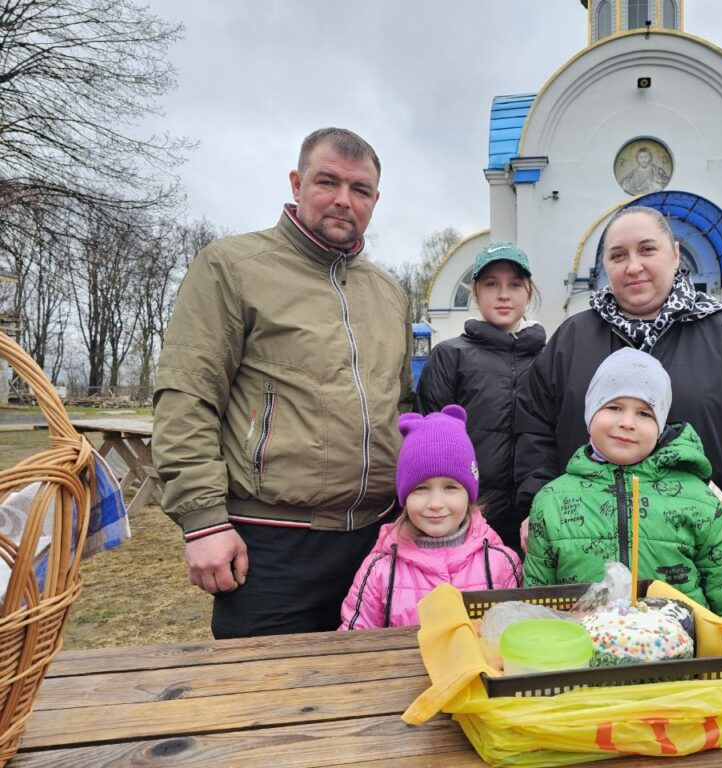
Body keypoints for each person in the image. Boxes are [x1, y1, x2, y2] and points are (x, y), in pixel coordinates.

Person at [153, 128, 413, 638]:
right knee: (263, 703)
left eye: (360, 190)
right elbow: (188, 395)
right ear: (297, 183)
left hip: (376, 542)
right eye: (327, 181)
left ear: (375, 200)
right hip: (270, 544)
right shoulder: (233, 268)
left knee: (370, 701)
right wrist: (203, 520)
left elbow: (399, 405)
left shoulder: (390, 293)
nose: (343, 199)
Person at [515, 205, 722, 557]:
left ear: (675, 254)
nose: (633, 266)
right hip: (584, 548)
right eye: (618, 255)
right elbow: (534, 428)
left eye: (647, 249)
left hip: (698, 555)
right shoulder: (572, 339)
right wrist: (538, 501)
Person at [524, 349, 722, 626]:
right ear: (590, 413)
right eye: (613, 407)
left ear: (660, 426)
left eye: (644, 413)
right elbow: (537, 598)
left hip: (683, 659)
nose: (627, 422)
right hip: (583, 658)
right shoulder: (551, 501)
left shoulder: (698, 500)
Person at [340, 405, 521, 630]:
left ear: (469, 495)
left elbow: (514, 636)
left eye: (450, 487)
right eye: (421, 489)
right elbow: (354, 643)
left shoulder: (500, 563)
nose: (435, 504)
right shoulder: (379, 570)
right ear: (404, 496)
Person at [415, 242, 546, 551]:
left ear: (529, 292)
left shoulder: (548, 357)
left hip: (535, 518)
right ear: (475, 293)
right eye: (491, 284)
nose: (503, 294)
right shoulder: (450, 356)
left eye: (514, 284)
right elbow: (428, 441)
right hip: (468, 517)